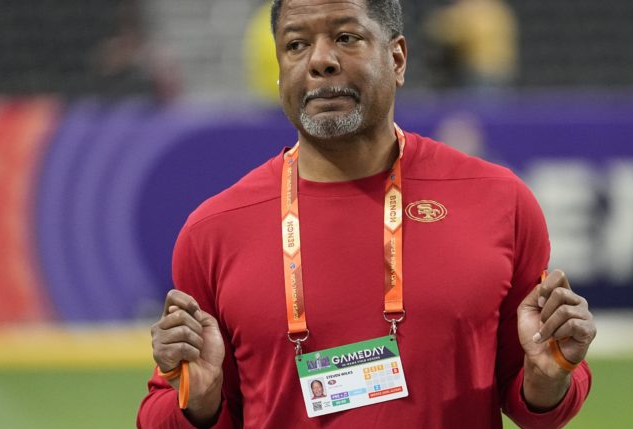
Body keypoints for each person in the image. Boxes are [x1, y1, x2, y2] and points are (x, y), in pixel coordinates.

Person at [137, 1, 595, 428]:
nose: (320, 61)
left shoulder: (501, 201)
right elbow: (161, 409)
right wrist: (199, 401)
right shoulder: (213, 232)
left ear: (397, 60)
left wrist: (549, 378)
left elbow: (537, 401)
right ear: (279, 71)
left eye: (346, 38)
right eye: (296, 44)